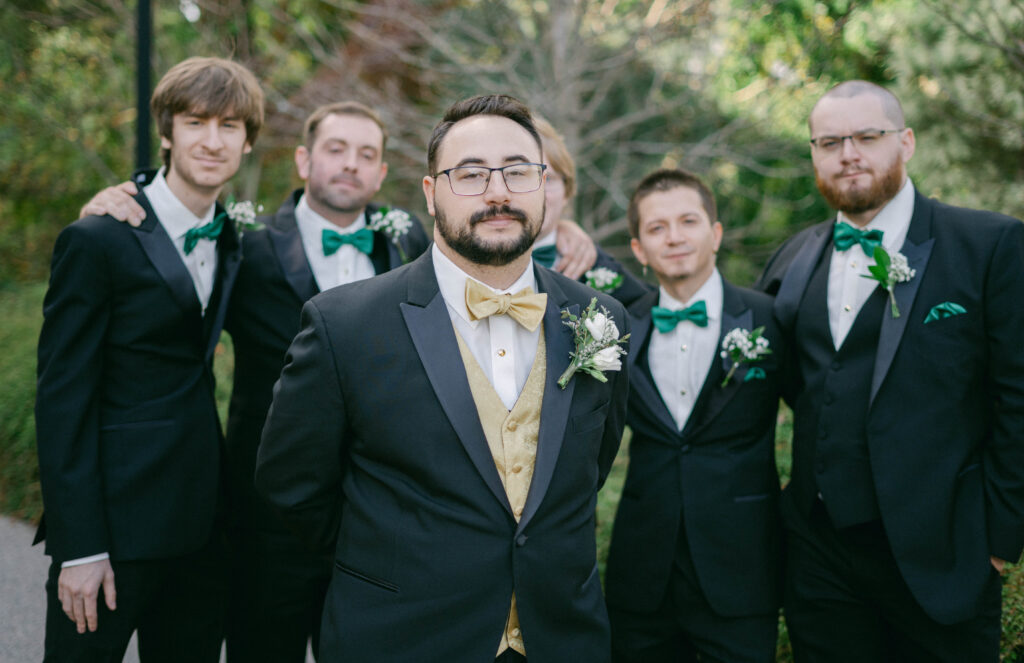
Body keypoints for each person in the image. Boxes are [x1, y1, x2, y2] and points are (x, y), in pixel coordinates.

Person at [254, 94, 630, 662]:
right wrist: (393, 558)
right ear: (432, 194)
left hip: (561, 637)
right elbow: (292, 484)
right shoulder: (343, 324)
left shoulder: (601, 319)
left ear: (544, 186)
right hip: (401, 637)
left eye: (518, 172)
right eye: (471, 174)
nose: (498, 191)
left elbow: (590, 467)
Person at [78, 100, 431, 662]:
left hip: (375, 517)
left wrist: (568, 232)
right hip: (265, 516)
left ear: (383, 172)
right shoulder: (244, 242)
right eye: (336, 150)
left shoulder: (409, 244)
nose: (350, 165)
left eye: (367, 155)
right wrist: (122, 196)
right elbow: (166, 242)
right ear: (303, 159)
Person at [756, 80, 1024, 661]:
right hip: (819, 561)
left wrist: (999, 540)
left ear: (905, 142)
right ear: (814, 154)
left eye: (866, 136)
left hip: (944, 554)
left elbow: (1019, 399)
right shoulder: (792, 258)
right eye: (829, 142)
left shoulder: (990, 245)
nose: (847, 153)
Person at [34, 56, 264, 662]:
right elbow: (62, 398)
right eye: (196, 122)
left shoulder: (237, 241)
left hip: (200, 532)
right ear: (167, 132)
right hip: (110, 534)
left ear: (247, 142)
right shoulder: (97, 237)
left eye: (230, 126)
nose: (212, 141)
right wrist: (78, 547)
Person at [604, 168, 784, 662]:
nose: (675, 237)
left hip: (742, 568)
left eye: (688, 221)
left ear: (716, 233)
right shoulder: (618, 326)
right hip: (642, 575)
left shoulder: (769, 318)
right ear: (639, 249)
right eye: (657, 228)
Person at [530, 117, 649, 305]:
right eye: (521, 176)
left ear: (567, 191)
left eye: (548, 179)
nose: (538, 192)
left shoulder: (596, 266)